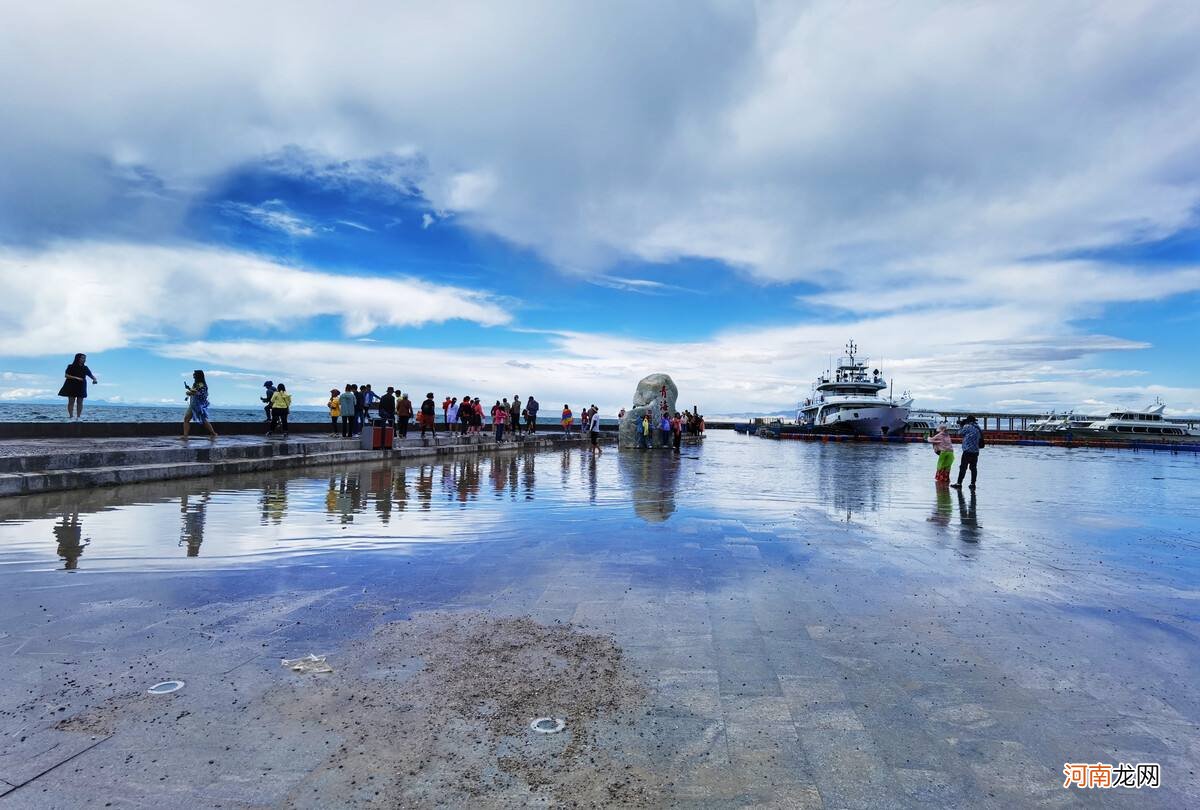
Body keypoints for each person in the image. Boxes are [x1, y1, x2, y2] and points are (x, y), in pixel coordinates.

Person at [57, 353, 98, 420]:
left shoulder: (85, 368)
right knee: (71, 401)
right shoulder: (70, 366)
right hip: (71, 385)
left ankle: (78, 417)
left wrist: (94, 379)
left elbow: (91, 375)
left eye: (84, 358)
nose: (84, 360)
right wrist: (76, 378)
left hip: (81, 385)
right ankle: (71, 416)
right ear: (78, 358)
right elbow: (66, 375)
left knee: (80, 402)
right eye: (82, 358)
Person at [182, 370, 218, 441]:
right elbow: (195, 391)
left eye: (194, 374)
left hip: (197, 405)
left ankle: (213, 433)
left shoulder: (201, 384)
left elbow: (199, 393)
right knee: (187, 419)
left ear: (198, 375)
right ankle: (185, 436)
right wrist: (189, 389)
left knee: (202, 420)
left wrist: (191, 392)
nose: (193, 375)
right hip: (193, 404)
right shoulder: (197, 384)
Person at [951, 415, 984, 490]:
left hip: (967, 450)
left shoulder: (967, 426)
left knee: (963, 467)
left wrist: (961, 425)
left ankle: (959, 483)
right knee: (973, 468)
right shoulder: (978, 427)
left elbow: (959, 433)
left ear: (968, 420)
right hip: (975, 451)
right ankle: (973, 484)